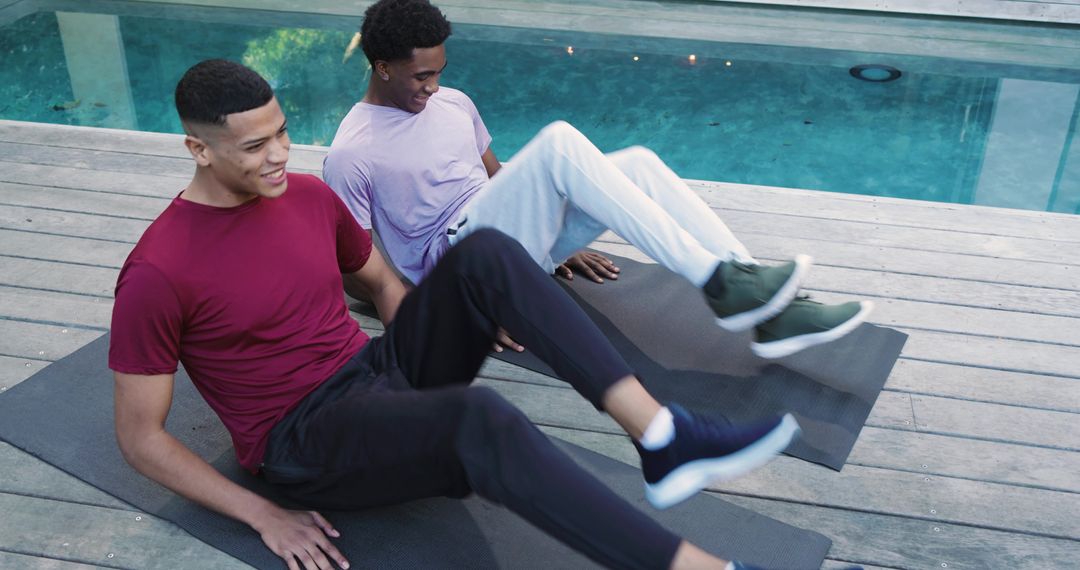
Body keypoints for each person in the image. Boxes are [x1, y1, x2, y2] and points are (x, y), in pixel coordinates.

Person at [109, 59, 803, 570]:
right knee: (481, 418)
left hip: (372, 371)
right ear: (199, 149)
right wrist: (263, 513)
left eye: (282, 133)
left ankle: (661, 436)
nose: (280, 155)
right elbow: (141, 439)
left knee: (488, 254)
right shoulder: (160, 270)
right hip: (302, 440)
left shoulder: (308, 197)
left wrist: (425, 350)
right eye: (255, 147)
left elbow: (383, 282)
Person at [323, 0, 873, 360]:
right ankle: (724, 285)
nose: (434, 87)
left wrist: (554, 226)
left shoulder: (454, 103)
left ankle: (768, 309)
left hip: (507, 238)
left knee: (636, 163)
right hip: (458, 273)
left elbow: (499, 179)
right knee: (559, 140)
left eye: (439, 72)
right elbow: (355, 271)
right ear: (382, 67)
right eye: (422, 76)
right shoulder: (353, 152)